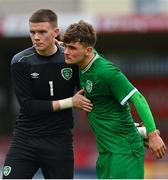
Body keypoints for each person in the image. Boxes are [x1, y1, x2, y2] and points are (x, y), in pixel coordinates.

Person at [62, 20, 167, 179]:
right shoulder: (82, 61)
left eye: (72, 48)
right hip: (106, 152)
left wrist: (152, 135)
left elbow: (139, 99)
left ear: (89, 50)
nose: (66, 52)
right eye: (65, 46)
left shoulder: (106, 72)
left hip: (124, 152)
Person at [2, 10, 93, 179]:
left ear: (55, 32)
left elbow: (90, 95)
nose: (36, 37)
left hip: (59, 140)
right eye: (32, 32)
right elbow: (28, 106)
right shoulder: (21, 61)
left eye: (42, 32)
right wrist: (70, 102)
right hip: (26, 139)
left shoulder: (69, 58)